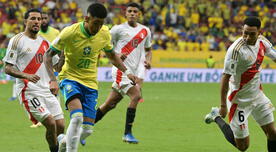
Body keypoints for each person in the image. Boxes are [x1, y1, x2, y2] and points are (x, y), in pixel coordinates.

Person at [45, 3, 138, 152]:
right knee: (76, 119)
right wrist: (53, 79)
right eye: (96, 23)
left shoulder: (104, 33)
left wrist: (127, 72)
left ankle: (63, 141)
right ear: (86, 18)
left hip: (91, 83)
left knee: (87, 130)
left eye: (101, 24)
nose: (98, 28)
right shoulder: (70, 32)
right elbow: (48, 55)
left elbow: (112, 56)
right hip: (70, 78)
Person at [204, 16, 276, 152]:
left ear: (259, 32)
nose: (247, 37)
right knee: (243, 146)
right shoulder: (235, 51)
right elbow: (225, 78)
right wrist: (223, 106)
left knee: (273, 133)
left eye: (252, 34)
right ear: (242, 30)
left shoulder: (262, 43)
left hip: (257, 96)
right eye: (245, 33)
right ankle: (216, 116)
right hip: (239, 101)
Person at [3, 8, 65, 152]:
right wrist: (26, 75)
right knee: (50, 122)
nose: (37, 21)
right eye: (33, 19)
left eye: (39, 19)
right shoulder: (17, 40)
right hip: (28, 90)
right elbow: (8, 68)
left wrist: (63, 55)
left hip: (47, 90)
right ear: (25, 21)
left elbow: (57, 68)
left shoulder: (45, 43)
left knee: (61, 125)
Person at [94, 2, 152, 144]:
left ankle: (83, 127)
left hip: (132, 72)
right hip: (120, 70)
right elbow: (106, 47)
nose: (132, 13)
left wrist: (148, 61)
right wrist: (118, 54)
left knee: (109, 104)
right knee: (136, 95)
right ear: (125, 14)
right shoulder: (117, 29)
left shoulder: (145, 31)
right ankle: (127, 133)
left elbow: (148, 49)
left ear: (139, 14)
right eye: (130, 11)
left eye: (135, 11)